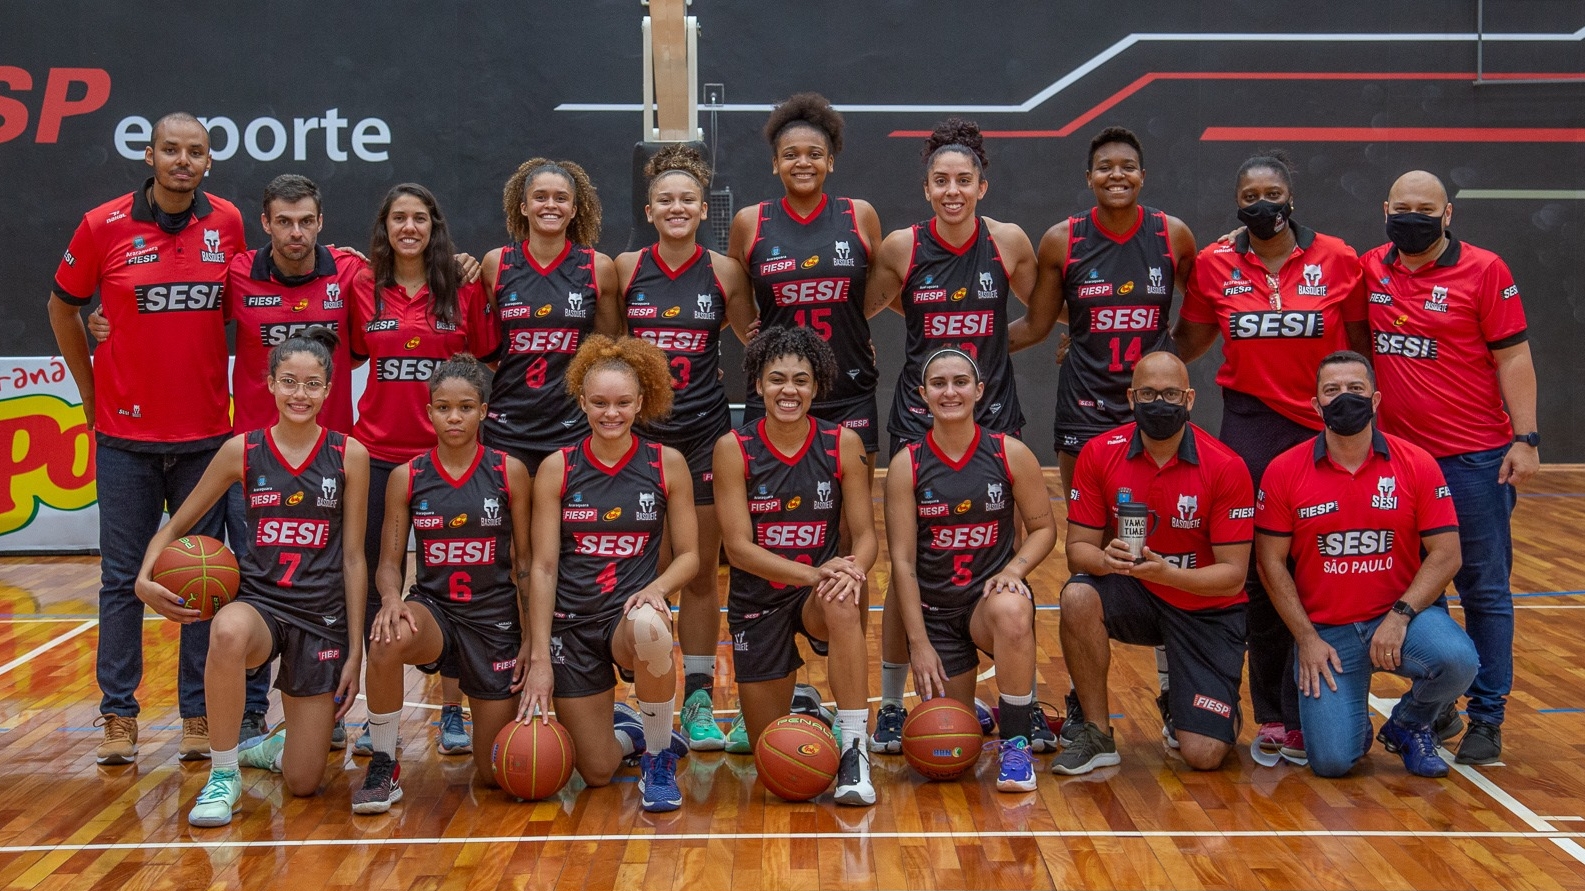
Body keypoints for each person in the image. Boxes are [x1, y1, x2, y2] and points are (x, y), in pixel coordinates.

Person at [47, 112, 246, 765]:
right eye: (171, 149)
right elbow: (62, 305)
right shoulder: (103, 224)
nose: (182, 160)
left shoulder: (228, 223)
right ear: (150, 154)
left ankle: (196, 714)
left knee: (204, 577)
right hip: (125, 436)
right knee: (120, 578)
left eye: (194, 151)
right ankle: (119, 716)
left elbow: (247, 301)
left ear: (208, 161)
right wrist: (88, 389)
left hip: (206, 438)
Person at [1173, 151, 1370, 763]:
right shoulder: (1213, 264)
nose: (1263, 203)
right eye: (1251, 194)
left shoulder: (1339, 258)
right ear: (1237, 202)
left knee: (1313, 565)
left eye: (1273, 192)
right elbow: (1190, 340)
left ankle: (1318, 701)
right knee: (1259, 570)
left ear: (1292, 196)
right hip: (1251, 426)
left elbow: (1361, 344)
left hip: (1321, 426)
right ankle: (1273, 716)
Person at [132, 328, 368, 826]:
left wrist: (355, 650)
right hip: (262, 606)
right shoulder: (242, 451)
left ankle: (273, 748)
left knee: (304, 783)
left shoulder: (350, 456)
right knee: (226, 629)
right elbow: (175, 524)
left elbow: (353, 559)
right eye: (289, 382)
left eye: (311, 384)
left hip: (321, 616)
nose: (299, 394)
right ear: (269, 384)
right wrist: (143, 576)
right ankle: (223, 774)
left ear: (328, 390)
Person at [864, 117, 1041, 753]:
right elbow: (861, 313)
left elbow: (1041, 314)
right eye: (941, 181)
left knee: (1007, 562)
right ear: (927, 186)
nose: (953, 191)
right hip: (921, 414)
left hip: (992, 412)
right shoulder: (902, 248)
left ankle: (1023, 703)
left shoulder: (1010, 242)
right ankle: (889, 702)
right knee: (907, 562)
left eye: (964, 180)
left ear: (982, 186)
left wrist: (994, 348)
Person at [1019, 125, 1197, 748]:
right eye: (1104, 168)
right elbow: (1039, 325)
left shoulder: (1171, 235)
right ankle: (1083, 697)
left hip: (1155, 413)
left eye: (1127, 166)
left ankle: (1177, 687)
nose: (1116, 175)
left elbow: (1196, 319)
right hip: (1087, 415)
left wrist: (1169, 369)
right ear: (1089, 177)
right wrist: (955, 334)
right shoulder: (1061, 240)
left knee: (1173, 543)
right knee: (1093, 548)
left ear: (1142, 175)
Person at [1360, 170, 1539, 765]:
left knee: (1484, 589)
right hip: (1400, 464)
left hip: (1475, 460)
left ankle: (1488, 717)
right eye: (1402, 207)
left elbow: (1513, 358)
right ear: (1386, 209)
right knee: (1422, 591)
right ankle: (1438, 706)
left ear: (1447, 215)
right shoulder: (1371, 269)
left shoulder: (1486, 270)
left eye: (1425, 209)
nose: (1413, 217)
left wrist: (1526, 438)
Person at [728, 94, 886, 753]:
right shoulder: (749, 223)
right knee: (768, 530)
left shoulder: (858, 216)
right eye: (791, 153)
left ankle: (848, 703)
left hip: (843, 397)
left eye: (814, 153)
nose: (803, 161)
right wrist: (773, 363)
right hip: (781, 396)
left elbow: (876, 290)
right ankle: (780, 664)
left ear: (831, 160)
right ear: (774, 162)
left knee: (849, 539)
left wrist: (841, 345)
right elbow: (740, 304)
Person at [1255, 350, 1475, 778]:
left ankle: (1410, 723)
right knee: (1333, 763)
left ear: (1375, 400)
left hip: (1401, 620)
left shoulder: (1417, 463)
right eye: (1332, 391)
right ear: (1315, 405)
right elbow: (1269, 564)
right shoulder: (1284, 471)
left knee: (1458, 659)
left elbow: (1448, 553)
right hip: (1330, 636)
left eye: (1355, 389)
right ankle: (1350, 730)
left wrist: (1400, 615)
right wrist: (1306, 638)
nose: (1344, 398)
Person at [520, 336, 698, 813]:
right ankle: (633, 732)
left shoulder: (667, 464)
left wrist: (656, 588)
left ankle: (658, 759)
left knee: (652, 626)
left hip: (625, 619)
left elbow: (690, 557)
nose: (611, 413)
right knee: (596, 771)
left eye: (622, 402)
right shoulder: (558, 468)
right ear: (582, 401)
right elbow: (542, 567)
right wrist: (540, 657)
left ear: (641, 402)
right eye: (599, 403)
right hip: (571, 626)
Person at [1053, 351, 1253, 775]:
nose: (1159, 402)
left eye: (1170, 393)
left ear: (1190, 398)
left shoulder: (1226, 466)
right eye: (1148, 393)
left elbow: (1233, 577)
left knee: (1203, 755)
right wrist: (1105, 560)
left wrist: (1171, 575)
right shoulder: (1098, 452)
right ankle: (1096, 733)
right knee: (1077, 596)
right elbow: (1077, 551)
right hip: (1135, 591)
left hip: (1203, 609)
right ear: (1131, 397)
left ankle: (1195, 704)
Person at [350, 183, 498, 755]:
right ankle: (372, 715)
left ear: (435, 225)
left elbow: (485, 361)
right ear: (384, 227)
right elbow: (344, 349)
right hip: (380, 455)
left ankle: (452, 712)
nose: (409, 227)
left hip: (448, 461)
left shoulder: (461, 287)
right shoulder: (361, 285)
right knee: (370, 588)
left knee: (457, 584)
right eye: (398, 218)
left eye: (420, 218)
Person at [617, 145, 755, 751]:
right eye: (665, 200)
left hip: (702, 433)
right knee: (647, 572)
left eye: (687, 200)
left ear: (704, 210)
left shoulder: (724, 274)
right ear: (650, 210)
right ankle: (650, 707)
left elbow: (757, 334)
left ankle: (697, 699)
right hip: (640, 438)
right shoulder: (624, 269)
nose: (677, 208)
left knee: (699, 573)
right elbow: (607, 352)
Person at [351, 355, 532, 813]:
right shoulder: (406, 476)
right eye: (444, 407)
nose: (455, 417)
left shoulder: (509, 472)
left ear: (484, 410)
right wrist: (391, 597)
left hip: (495, 621)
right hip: (436, 611)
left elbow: (526, 565)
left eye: (466, 407)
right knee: (388, 635)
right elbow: (389, 563)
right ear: (428, 411)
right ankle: (385, 761)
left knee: (496, 774)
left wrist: (532, 637)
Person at [714, 326, 879, 805]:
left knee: (844, 599)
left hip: (817, 596)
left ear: (817, 385)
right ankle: (804, 704)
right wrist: (818, 572)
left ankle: (853, 748)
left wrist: (850, 570)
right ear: (759, 384)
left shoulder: (842, 443)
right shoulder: (734, 448)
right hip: (758, 598)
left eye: (801, 380)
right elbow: (739, 548)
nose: (789, 390)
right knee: (776, 762)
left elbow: (866, 535)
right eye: (777, 379)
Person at [882, 348, 1057, 792]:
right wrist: (918, 644)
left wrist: (1015, 570)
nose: (950, 392)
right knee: (949, 748)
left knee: (1012, 608)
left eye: (961, 382)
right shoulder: (908, 464)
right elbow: (901, 561)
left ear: (979, 390)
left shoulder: (1010, 453)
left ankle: (1016, 743)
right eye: (938, 384)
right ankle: (976, 706)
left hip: (985, 606)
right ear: (922, 395)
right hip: (937, 615)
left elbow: (1042, 528)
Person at [481, 157, 623, 475]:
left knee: (564, 525)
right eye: (540, 196)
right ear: (522, 206)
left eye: (561, 198)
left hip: (572, 428)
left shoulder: (598, 268)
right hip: (508, 426)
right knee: (510, 525)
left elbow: (606, 351)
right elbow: (492, 347)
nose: (550, 205)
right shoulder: (496, 264)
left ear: (574, 209)